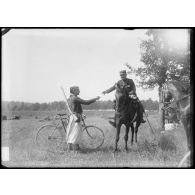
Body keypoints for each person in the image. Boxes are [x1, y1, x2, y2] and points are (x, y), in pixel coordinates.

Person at [66, 86, 100, 151]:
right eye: (78, 90)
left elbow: (75, 108)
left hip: (73, 117)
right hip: (76, 117)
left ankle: (72, 148)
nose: (79, 91)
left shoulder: (70, 98)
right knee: (76, 133)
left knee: (72, 132)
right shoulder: (75, 98)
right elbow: (86, 102)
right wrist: (96, 98)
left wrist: (81, 113)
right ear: (74, 91)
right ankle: (75, 150)